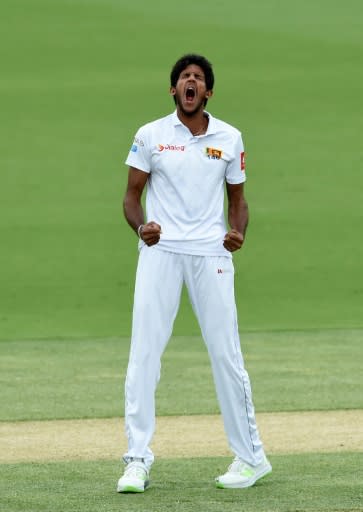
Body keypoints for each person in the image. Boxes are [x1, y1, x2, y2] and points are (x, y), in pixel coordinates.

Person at [117, 53, 271, 493]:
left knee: (226, 354)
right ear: (173, 90)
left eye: (198, 78)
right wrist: (140, 226)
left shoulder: (230, 137)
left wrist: (237, 231)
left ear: (208, 92)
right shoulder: (150, 135)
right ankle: (136, 461)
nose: (190, 82)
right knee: (144, 354)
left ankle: (251, 458)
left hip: (211, 254)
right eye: (184, 77)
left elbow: (237, 199)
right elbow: (131, 195)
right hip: (160, 250)